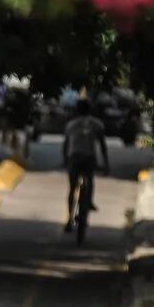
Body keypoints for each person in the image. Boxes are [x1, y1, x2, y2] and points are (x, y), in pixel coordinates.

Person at [63, 98, 109, 231]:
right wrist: (105, 164)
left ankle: (69, 219)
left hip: (74, 158)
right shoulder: (97, 124)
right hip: (89, 158)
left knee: (72, 188)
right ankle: (88, 202)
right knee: (90, 180)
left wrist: (66, 161)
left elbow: (66, 146)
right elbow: (102, 145)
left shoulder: (71, 124)